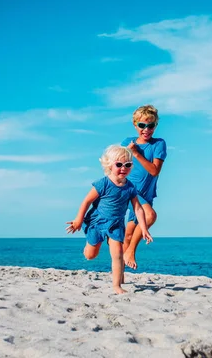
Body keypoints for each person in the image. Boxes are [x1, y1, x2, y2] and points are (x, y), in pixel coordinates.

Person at [66, 145, 153, 294]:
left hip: (116, 225)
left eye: (127, 165)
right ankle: (88, 247)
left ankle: (116, 286)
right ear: (109, 165)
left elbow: (138, 208)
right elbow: (86, 202)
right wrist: (78, 220)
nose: (123, 168)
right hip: (97, 223)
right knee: (91, 255)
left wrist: (144, 228)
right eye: (119, 164)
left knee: (118, 254)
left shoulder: (130, 187)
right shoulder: (103, 183)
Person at [121, 105, 167, 270]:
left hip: (146, 194)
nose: (146, 129)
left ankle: (120, 275)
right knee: (150, 216)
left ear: (155, 126)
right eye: (142, 125)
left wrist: (137, 153)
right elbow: (117, 165)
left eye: (150, 126)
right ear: (135, 125)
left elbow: (154, 171)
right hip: (130, 190)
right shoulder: (127, 143)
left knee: (128, 234)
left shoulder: (159, 144)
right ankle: (131, 251)